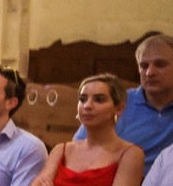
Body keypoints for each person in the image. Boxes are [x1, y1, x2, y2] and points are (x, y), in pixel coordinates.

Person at [27, 75, 144, 186]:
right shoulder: (61, 149)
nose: (87, 106)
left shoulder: (130, 154)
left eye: (99, 99)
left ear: (119, 108)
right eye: (82, 99)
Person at [74, 32, 173, 168]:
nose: (150, 73)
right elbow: (78, 151)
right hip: (116, 182)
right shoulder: (117, 102)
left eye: (160, 65)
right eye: (144, 66)